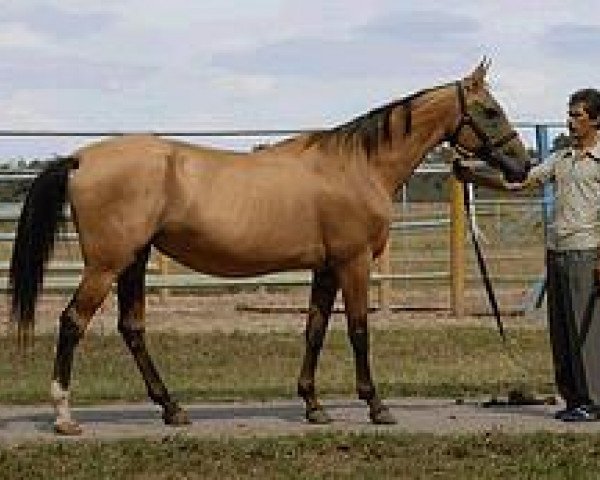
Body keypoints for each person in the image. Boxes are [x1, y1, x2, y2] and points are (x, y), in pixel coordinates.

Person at [457, 88, 600, 422]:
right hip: (558, 250)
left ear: (596, 119)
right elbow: (521, 183)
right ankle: (573, 398)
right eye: (569, 113)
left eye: (577, 114)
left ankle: (594, 400)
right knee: (562, 329)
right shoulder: (562, 159)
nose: (570, 120)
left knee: (588, 330)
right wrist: (475, 177)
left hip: (587, 251)